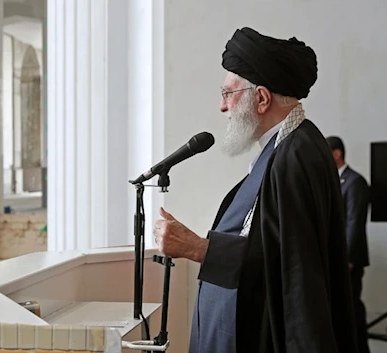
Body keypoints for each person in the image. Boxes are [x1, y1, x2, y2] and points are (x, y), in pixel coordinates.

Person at [154, 27, 358, 353]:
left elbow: (291, 266)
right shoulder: (284, 147)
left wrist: (198, 248)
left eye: (228, 93)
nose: (222, 107)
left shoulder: (297, 155)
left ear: (261, 98)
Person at [326, 136, 371, 353]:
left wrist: (349, 258)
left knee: (353, 310)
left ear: (336, 153)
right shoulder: (334, 181)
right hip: (336, 259)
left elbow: (355, 222)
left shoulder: (355, 182)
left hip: (349, 260)